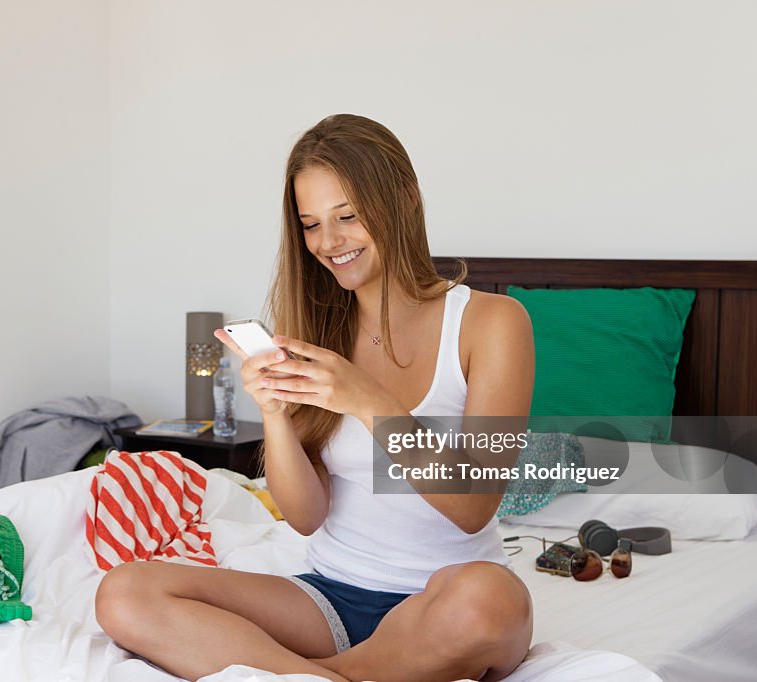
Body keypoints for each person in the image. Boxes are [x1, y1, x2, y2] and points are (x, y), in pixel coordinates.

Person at [96, 113, 535, 682]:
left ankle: (305, 675)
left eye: (347, 216)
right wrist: (275, 416)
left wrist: (368, 401)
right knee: (125, 591)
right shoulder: (320, 331)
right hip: (331, 599)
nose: (328, 243)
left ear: (404, 199)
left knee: (491, 600)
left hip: (448, 597)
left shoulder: (490, 323)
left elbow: (475, 504)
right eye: (310, 224)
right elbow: (305, 518)